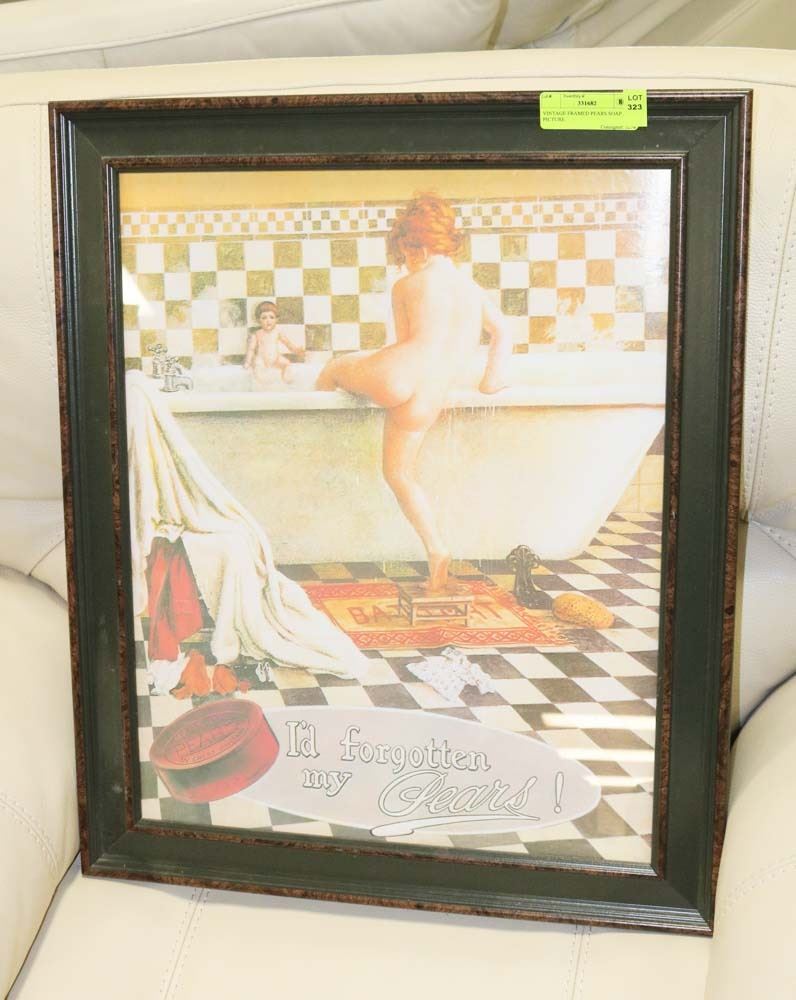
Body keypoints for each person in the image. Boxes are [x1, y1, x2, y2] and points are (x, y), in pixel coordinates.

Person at [315, 193, 513, 592]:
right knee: (401, 474)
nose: (403, 260)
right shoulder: (472, 290)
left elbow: (404, 342)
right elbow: (503, 332)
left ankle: (315, 447)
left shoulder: (408, 284)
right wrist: (491, 379)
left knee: (335, 367)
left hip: (399, 374)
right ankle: (436, 548)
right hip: (430, 396)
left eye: (404, 251)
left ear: (414, 246)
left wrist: (365, 366)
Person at [244, 300, 305, 386]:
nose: (268, 321)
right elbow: (251, 349)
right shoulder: (257, 334)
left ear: (277, 319)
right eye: (264, 318)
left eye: (271, 317)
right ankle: (262, 384)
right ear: (258, 320)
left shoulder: (278, 332)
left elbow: (288, 344)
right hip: (262, 360)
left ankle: (286, 381)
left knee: (287, 363)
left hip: (276, 359)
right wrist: (248, 361)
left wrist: (296, 350)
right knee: (258, 365)